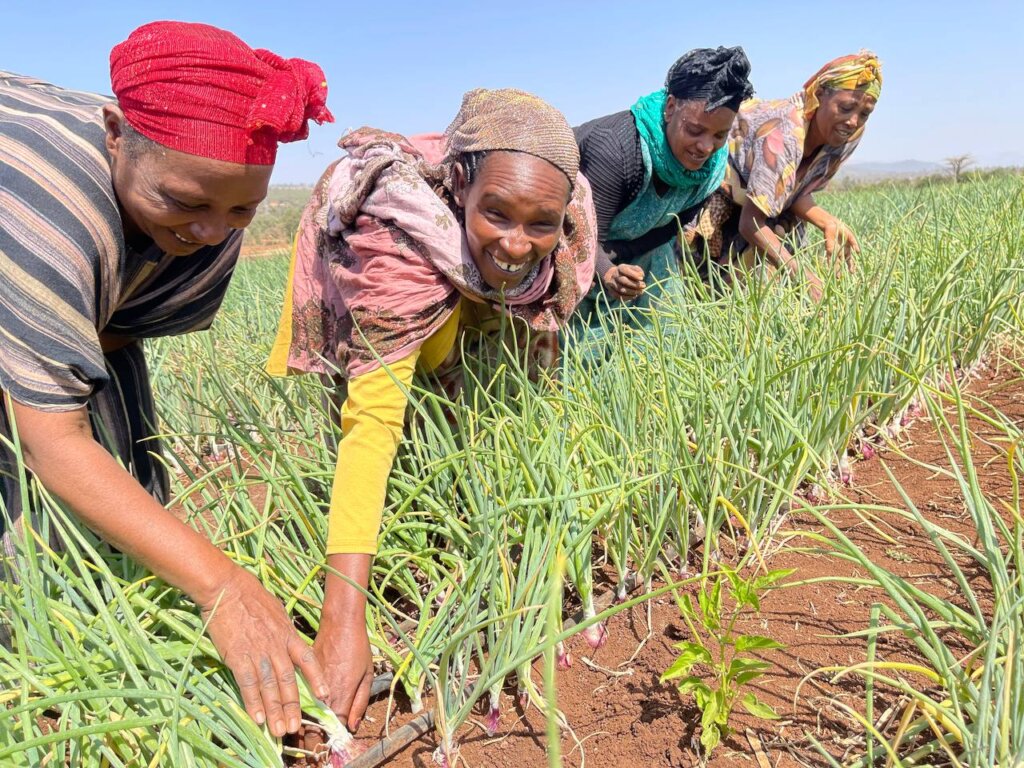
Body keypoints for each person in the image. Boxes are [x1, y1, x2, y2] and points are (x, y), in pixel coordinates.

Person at [0, 21, 333, 739]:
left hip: (55, 288)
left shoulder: (208, 219)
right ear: (116, 134)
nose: (212, 231)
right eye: (185, 203)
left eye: (241, 209)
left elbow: (108, 340)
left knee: (113, 483)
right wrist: (222, 585)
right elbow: (49, 438)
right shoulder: (46, 200)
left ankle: (98, 617)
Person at [267, 87, 596, 728]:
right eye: (496, 213)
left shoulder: (571, 210)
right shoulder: (397, 231)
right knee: (394, 387)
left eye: (541, 223)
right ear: (460, 185)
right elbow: (372, 423)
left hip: (460, 272)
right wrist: (345, 617)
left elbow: (544, 318)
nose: (520, 243)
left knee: (471, 369)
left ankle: (445, 426)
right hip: (383, 261)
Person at [571, 46, 753, 329]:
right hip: (574, 243)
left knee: (665, 331)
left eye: (719, 135)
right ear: (670, 108)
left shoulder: (710, 169)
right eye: (694, 130)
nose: (706, 147)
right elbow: (581, 235)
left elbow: (670, 229)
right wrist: (608, 272)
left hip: (632, 250)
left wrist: (623, 262)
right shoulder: (617, 149)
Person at [684, 51, 883, 301]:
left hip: (763, 205)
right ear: (820, 95)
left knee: (779, 280)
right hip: (725, 195)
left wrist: (828, 221)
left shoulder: (845, 135)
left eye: (864, 113)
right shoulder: (784, 134)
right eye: (845, 108)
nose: (853, 121)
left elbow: (794, 189)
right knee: (713, 291)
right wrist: (805, 279)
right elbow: (751, 223)